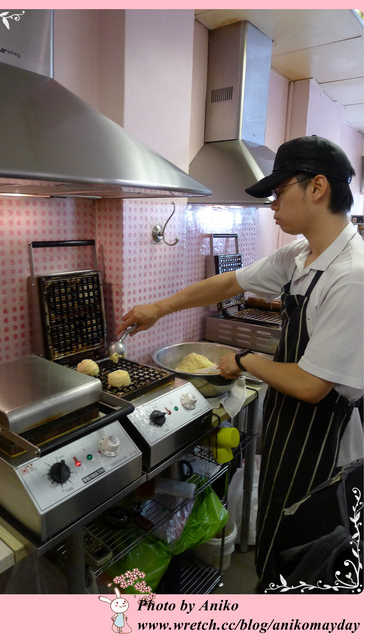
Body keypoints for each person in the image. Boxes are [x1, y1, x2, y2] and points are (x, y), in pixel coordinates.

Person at [117, 135, 364, 589]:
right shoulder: (301, 254)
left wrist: (245, 360)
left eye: (279, 191)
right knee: (274, 526)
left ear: (317, 188)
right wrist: (158, 308)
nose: (272, 204)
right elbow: (229, 283)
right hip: (290, 421)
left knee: (302, 551)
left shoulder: (351, 274)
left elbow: (311, 385)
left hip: (323, 435)